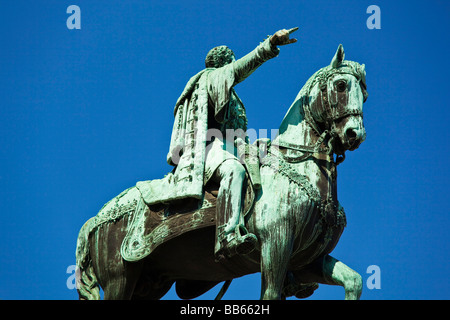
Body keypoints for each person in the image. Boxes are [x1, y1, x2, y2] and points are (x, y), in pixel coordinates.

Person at [165, 28, 298, 260]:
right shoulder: (211, 77)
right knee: (233, 171)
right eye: (231, 62)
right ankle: (227, 235)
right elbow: (240, 69)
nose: (233, 65)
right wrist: (270, 44)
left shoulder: (227, 92)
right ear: (224, 64)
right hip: (209, 147)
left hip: (231, 146)